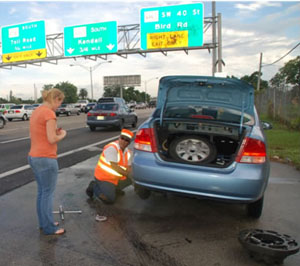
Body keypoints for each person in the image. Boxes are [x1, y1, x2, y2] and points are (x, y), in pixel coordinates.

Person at [28, 88, 67, 235]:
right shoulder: (49, 113)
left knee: (42, 193)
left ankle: (44, 223)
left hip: (34, 156)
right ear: (55, 99)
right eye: (60, 102)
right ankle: (50, 227)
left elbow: (40, 134)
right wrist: (63, 134)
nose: (59, 106)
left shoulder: (37, 111)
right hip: (46, 158)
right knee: (47, 194)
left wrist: (54, 132)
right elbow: (52, 139)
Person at [86, 129, 134, 204]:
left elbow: (129, 168)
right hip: (104, 178)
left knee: (132, 178)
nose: (123, 141)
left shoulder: (128, 153)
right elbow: (114, 167)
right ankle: (94, 186)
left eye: (126, 140)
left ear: (129, 143)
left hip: (115, 178)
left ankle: (115, 189)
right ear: (119, 138)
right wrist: (129, 174)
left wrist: (136, 179)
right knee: (109, 199)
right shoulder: (112, 148)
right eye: (122, 138)